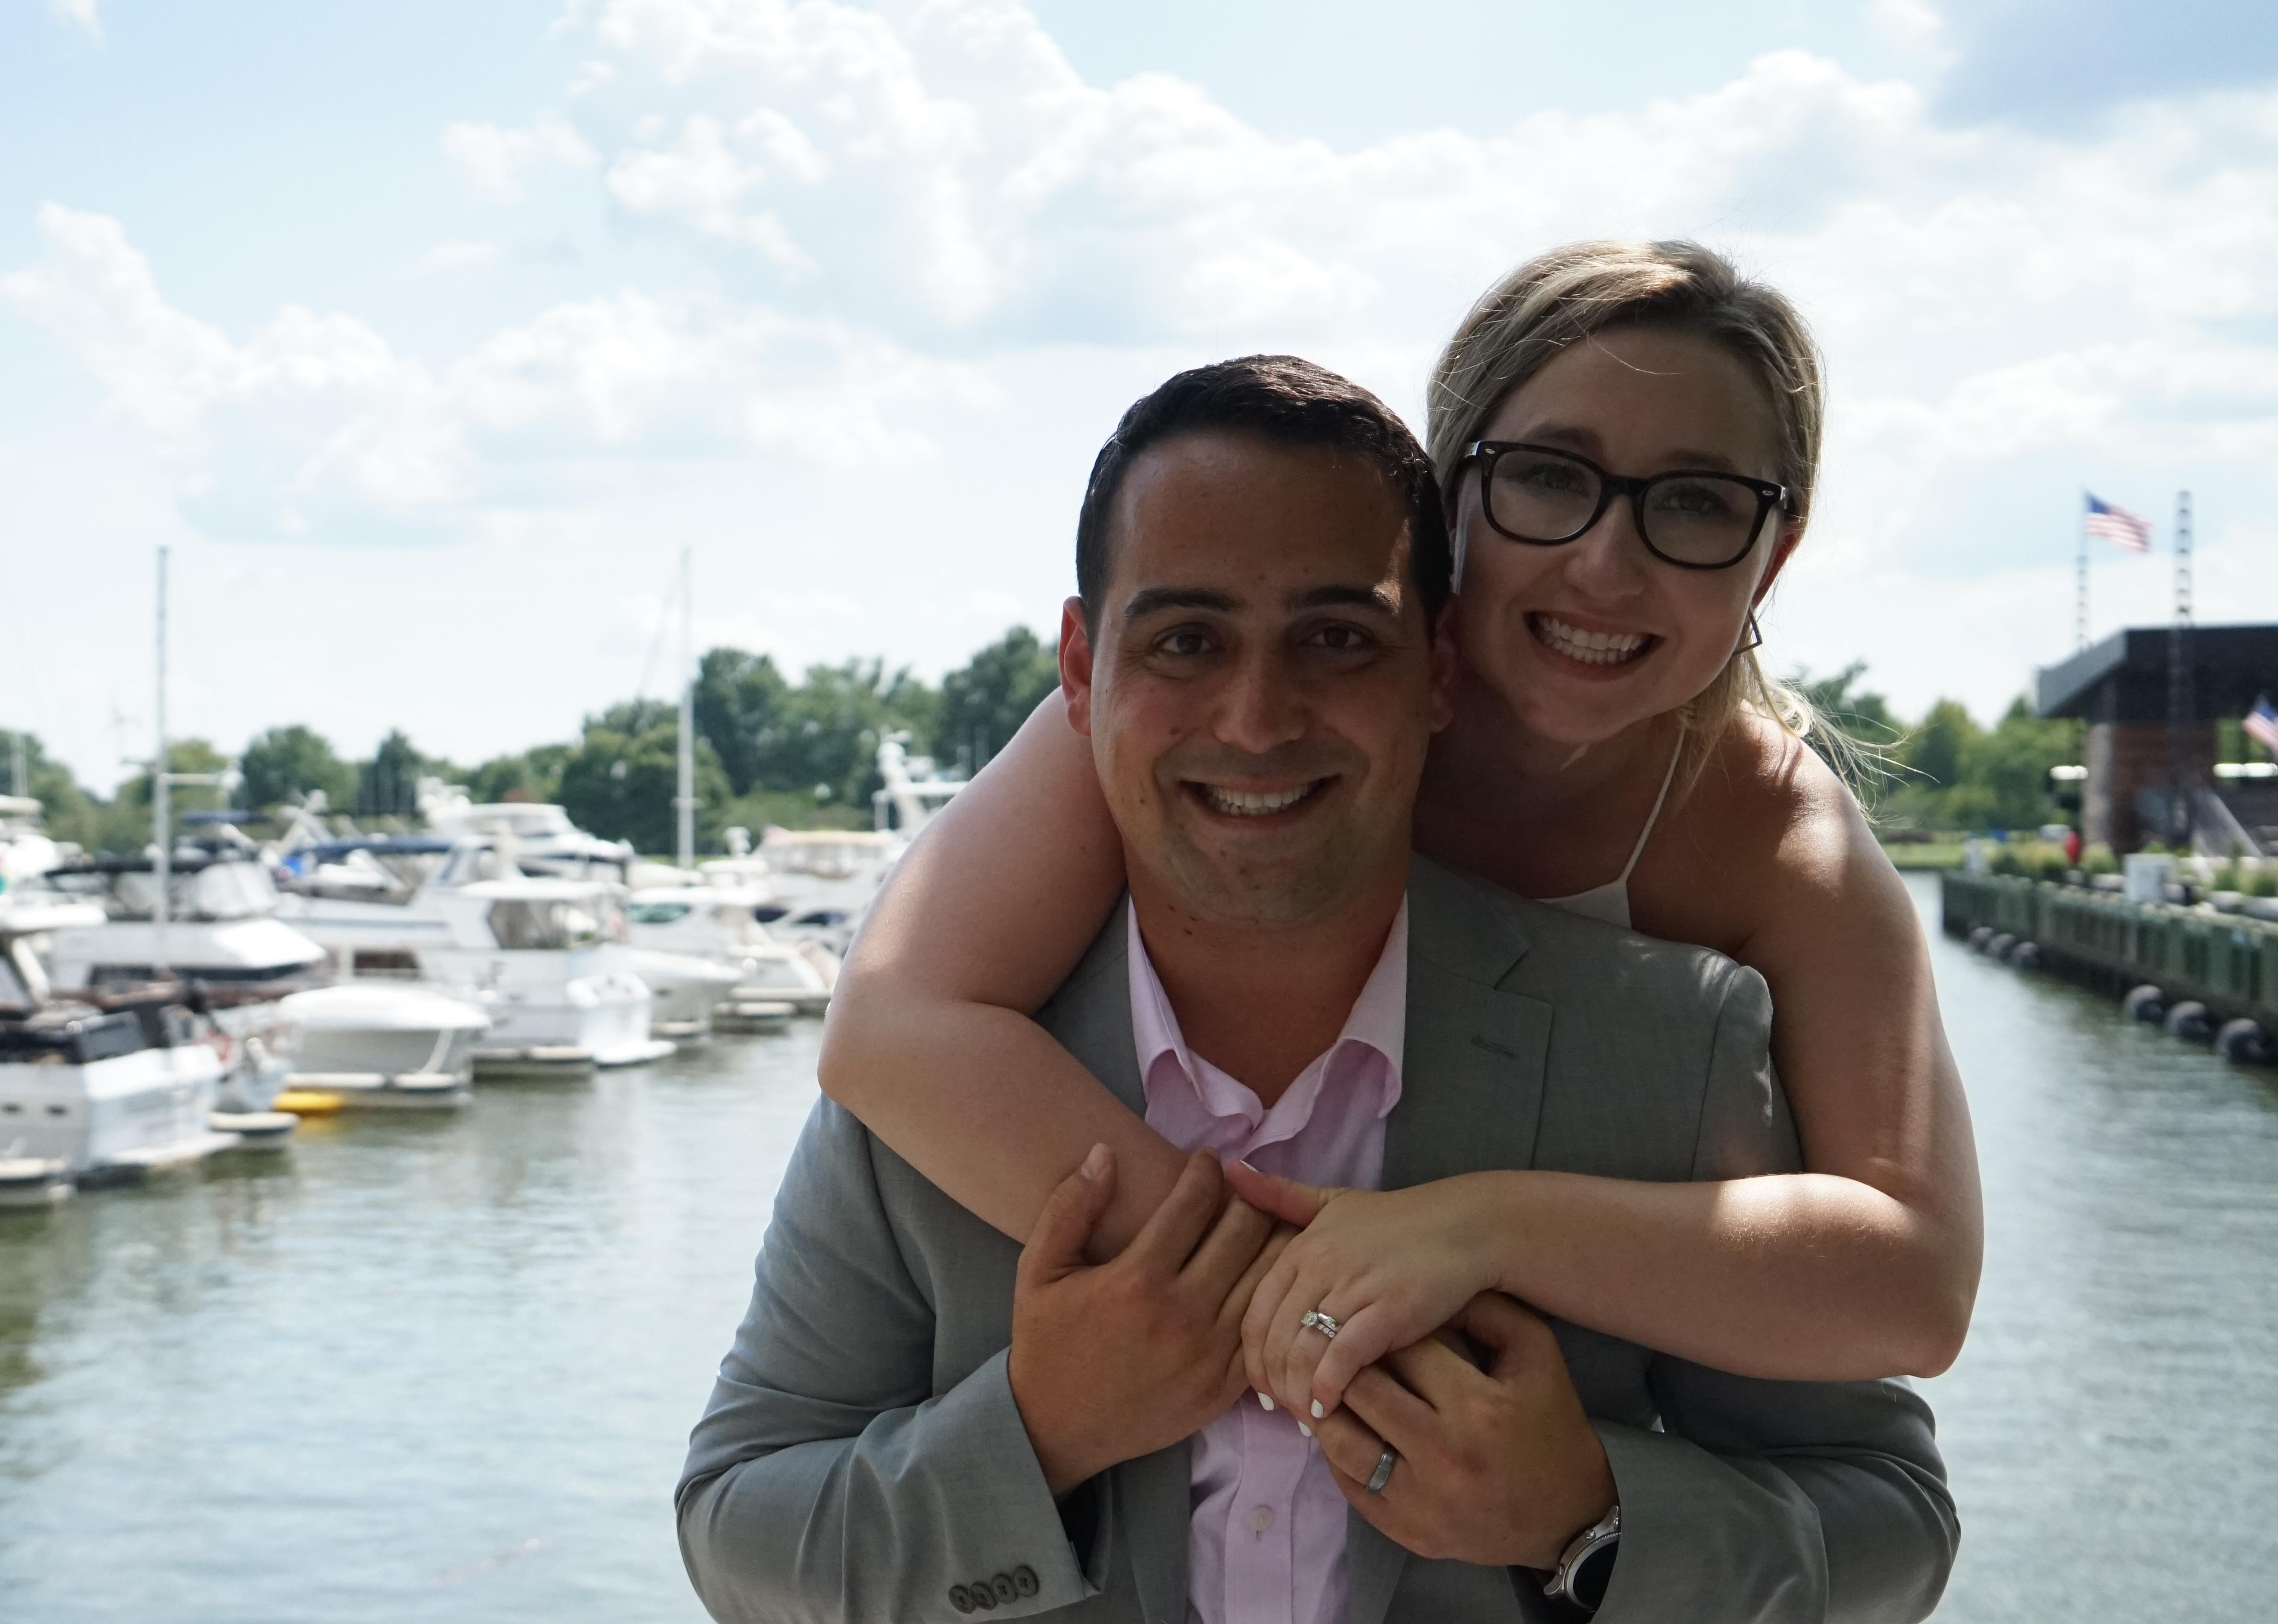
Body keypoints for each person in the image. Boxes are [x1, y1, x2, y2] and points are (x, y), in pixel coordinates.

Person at [679, 355, 1956, 1622]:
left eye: (1337, 640)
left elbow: (1895, 1528)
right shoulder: (935, 1081)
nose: (1255, 718)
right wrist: (1037, 1433)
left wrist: (1589, 1523)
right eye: (1185, 641)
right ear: (1080, 668)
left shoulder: (1671, 1050)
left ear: (1439, 668)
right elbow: (736, 1536)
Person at [819, 241, 1981, 1424]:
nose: (1605, 564)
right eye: (1549, 477)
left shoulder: (1779, 841)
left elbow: (1917, 1283)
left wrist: (1481, 1230)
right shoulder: (1217, 716)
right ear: (1446, 494)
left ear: (1773, 557)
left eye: (1695, 502)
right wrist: (1285, 1305)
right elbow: (889, 1027)